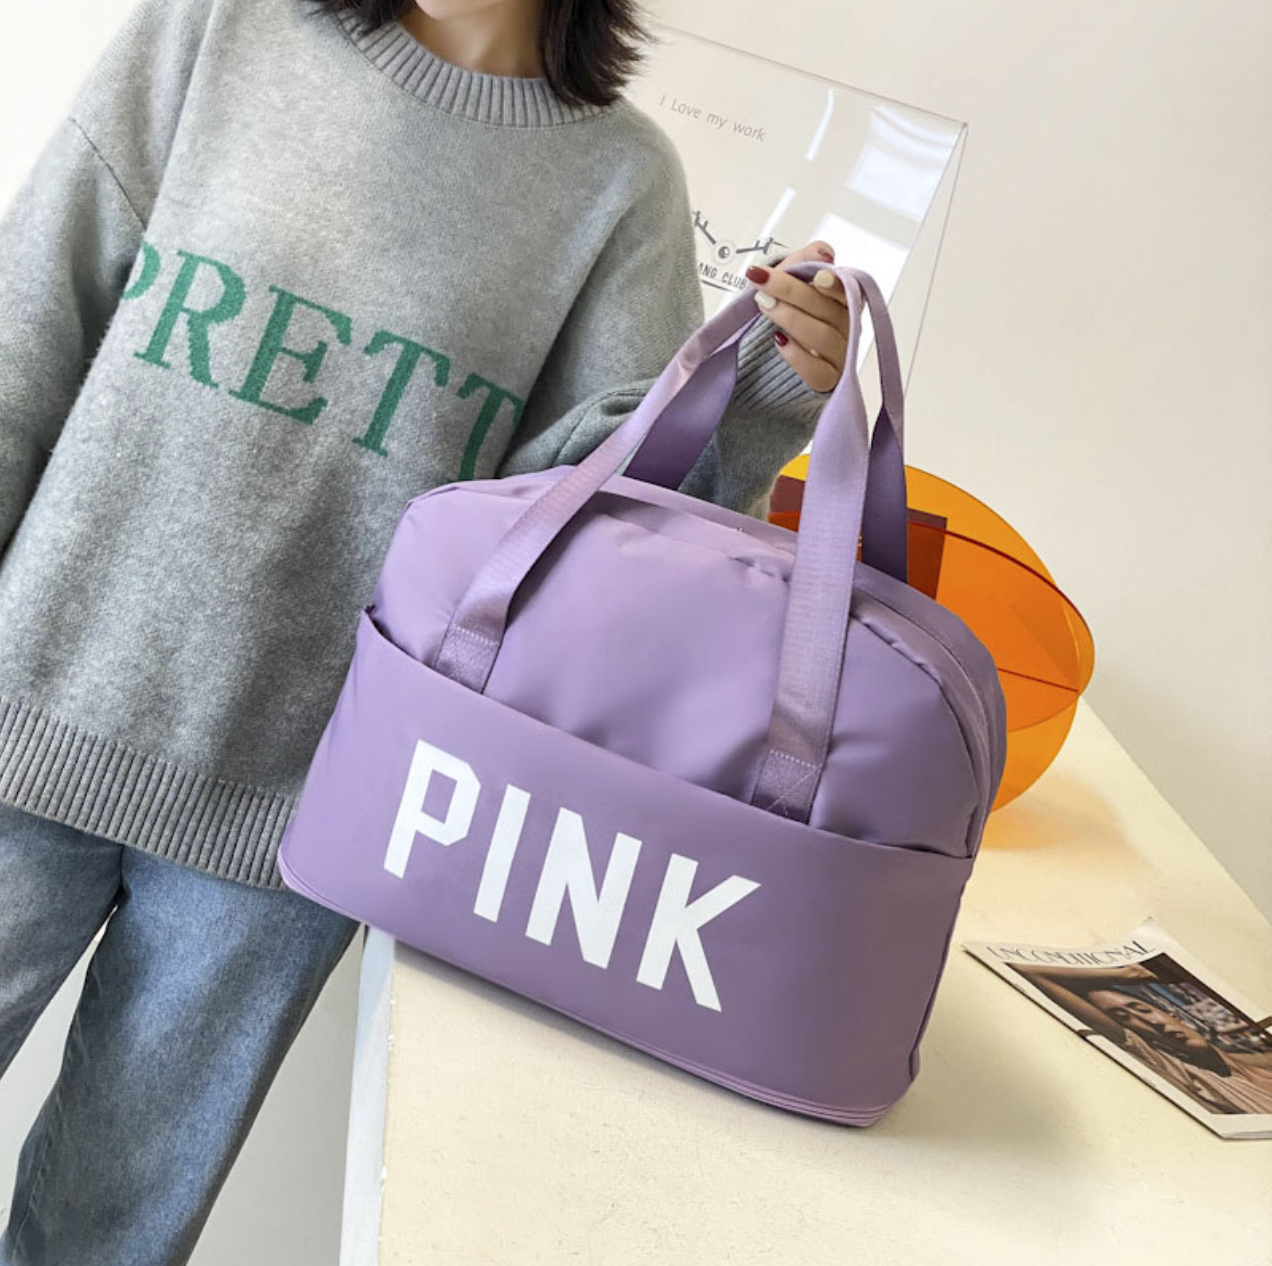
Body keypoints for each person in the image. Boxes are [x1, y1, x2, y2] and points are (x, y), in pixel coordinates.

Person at [0, 0, 852, 1260]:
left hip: (297, 818)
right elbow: (27, 325)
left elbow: (597, 538)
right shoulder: (215, 31)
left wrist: (765, 393)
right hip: (28, 717)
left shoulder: (620, 184)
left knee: (104, 1236)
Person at [1024, 964, 1272, 1117]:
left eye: (1143, 1010)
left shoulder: (1259, 1061)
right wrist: (1127, 974)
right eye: (1124, 1018)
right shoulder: (1171, 1065)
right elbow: (1030, 972)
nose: (1152, 1023)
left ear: (1174, 1015)